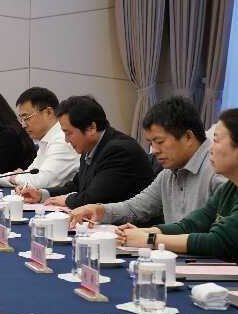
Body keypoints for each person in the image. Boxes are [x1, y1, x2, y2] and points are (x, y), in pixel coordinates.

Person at [70, 96, 222, 228]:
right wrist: (99, 210)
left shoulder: (219, 172)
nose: (154, 151)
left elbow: (219, 239)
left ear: (188, 137)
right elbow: (136, 207)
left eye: (159, 142)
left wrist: (154, 236)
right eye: (151, 143)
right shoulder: (168, 173)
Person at [116, 107, 238, 257]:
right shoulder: (230, 188)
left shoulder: (219, 178)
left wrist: (151, 239)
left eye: (216, 141)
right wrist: (144, 232)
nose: (210, 149)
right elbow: (191, 225)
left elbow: (218, 242)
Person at [19, 95, 157, 209]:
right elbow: (76, 185)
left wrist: (66, 200)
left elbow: (94, 197)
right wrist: (42, 194)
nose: (66, 140)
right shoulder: (89, 146)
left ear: (91, 128)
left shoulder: (119, 150)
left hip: (134, 228)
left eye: (68, 133)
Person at [0, 87, 78, 191]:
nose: (23, 125)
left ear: (48, 112)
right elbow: (29, 173)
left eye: (26, 117)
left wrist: (16, 177)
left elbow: (42, 182)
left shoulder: (62, 139)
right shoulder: (47, 139)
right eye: (21, 119)